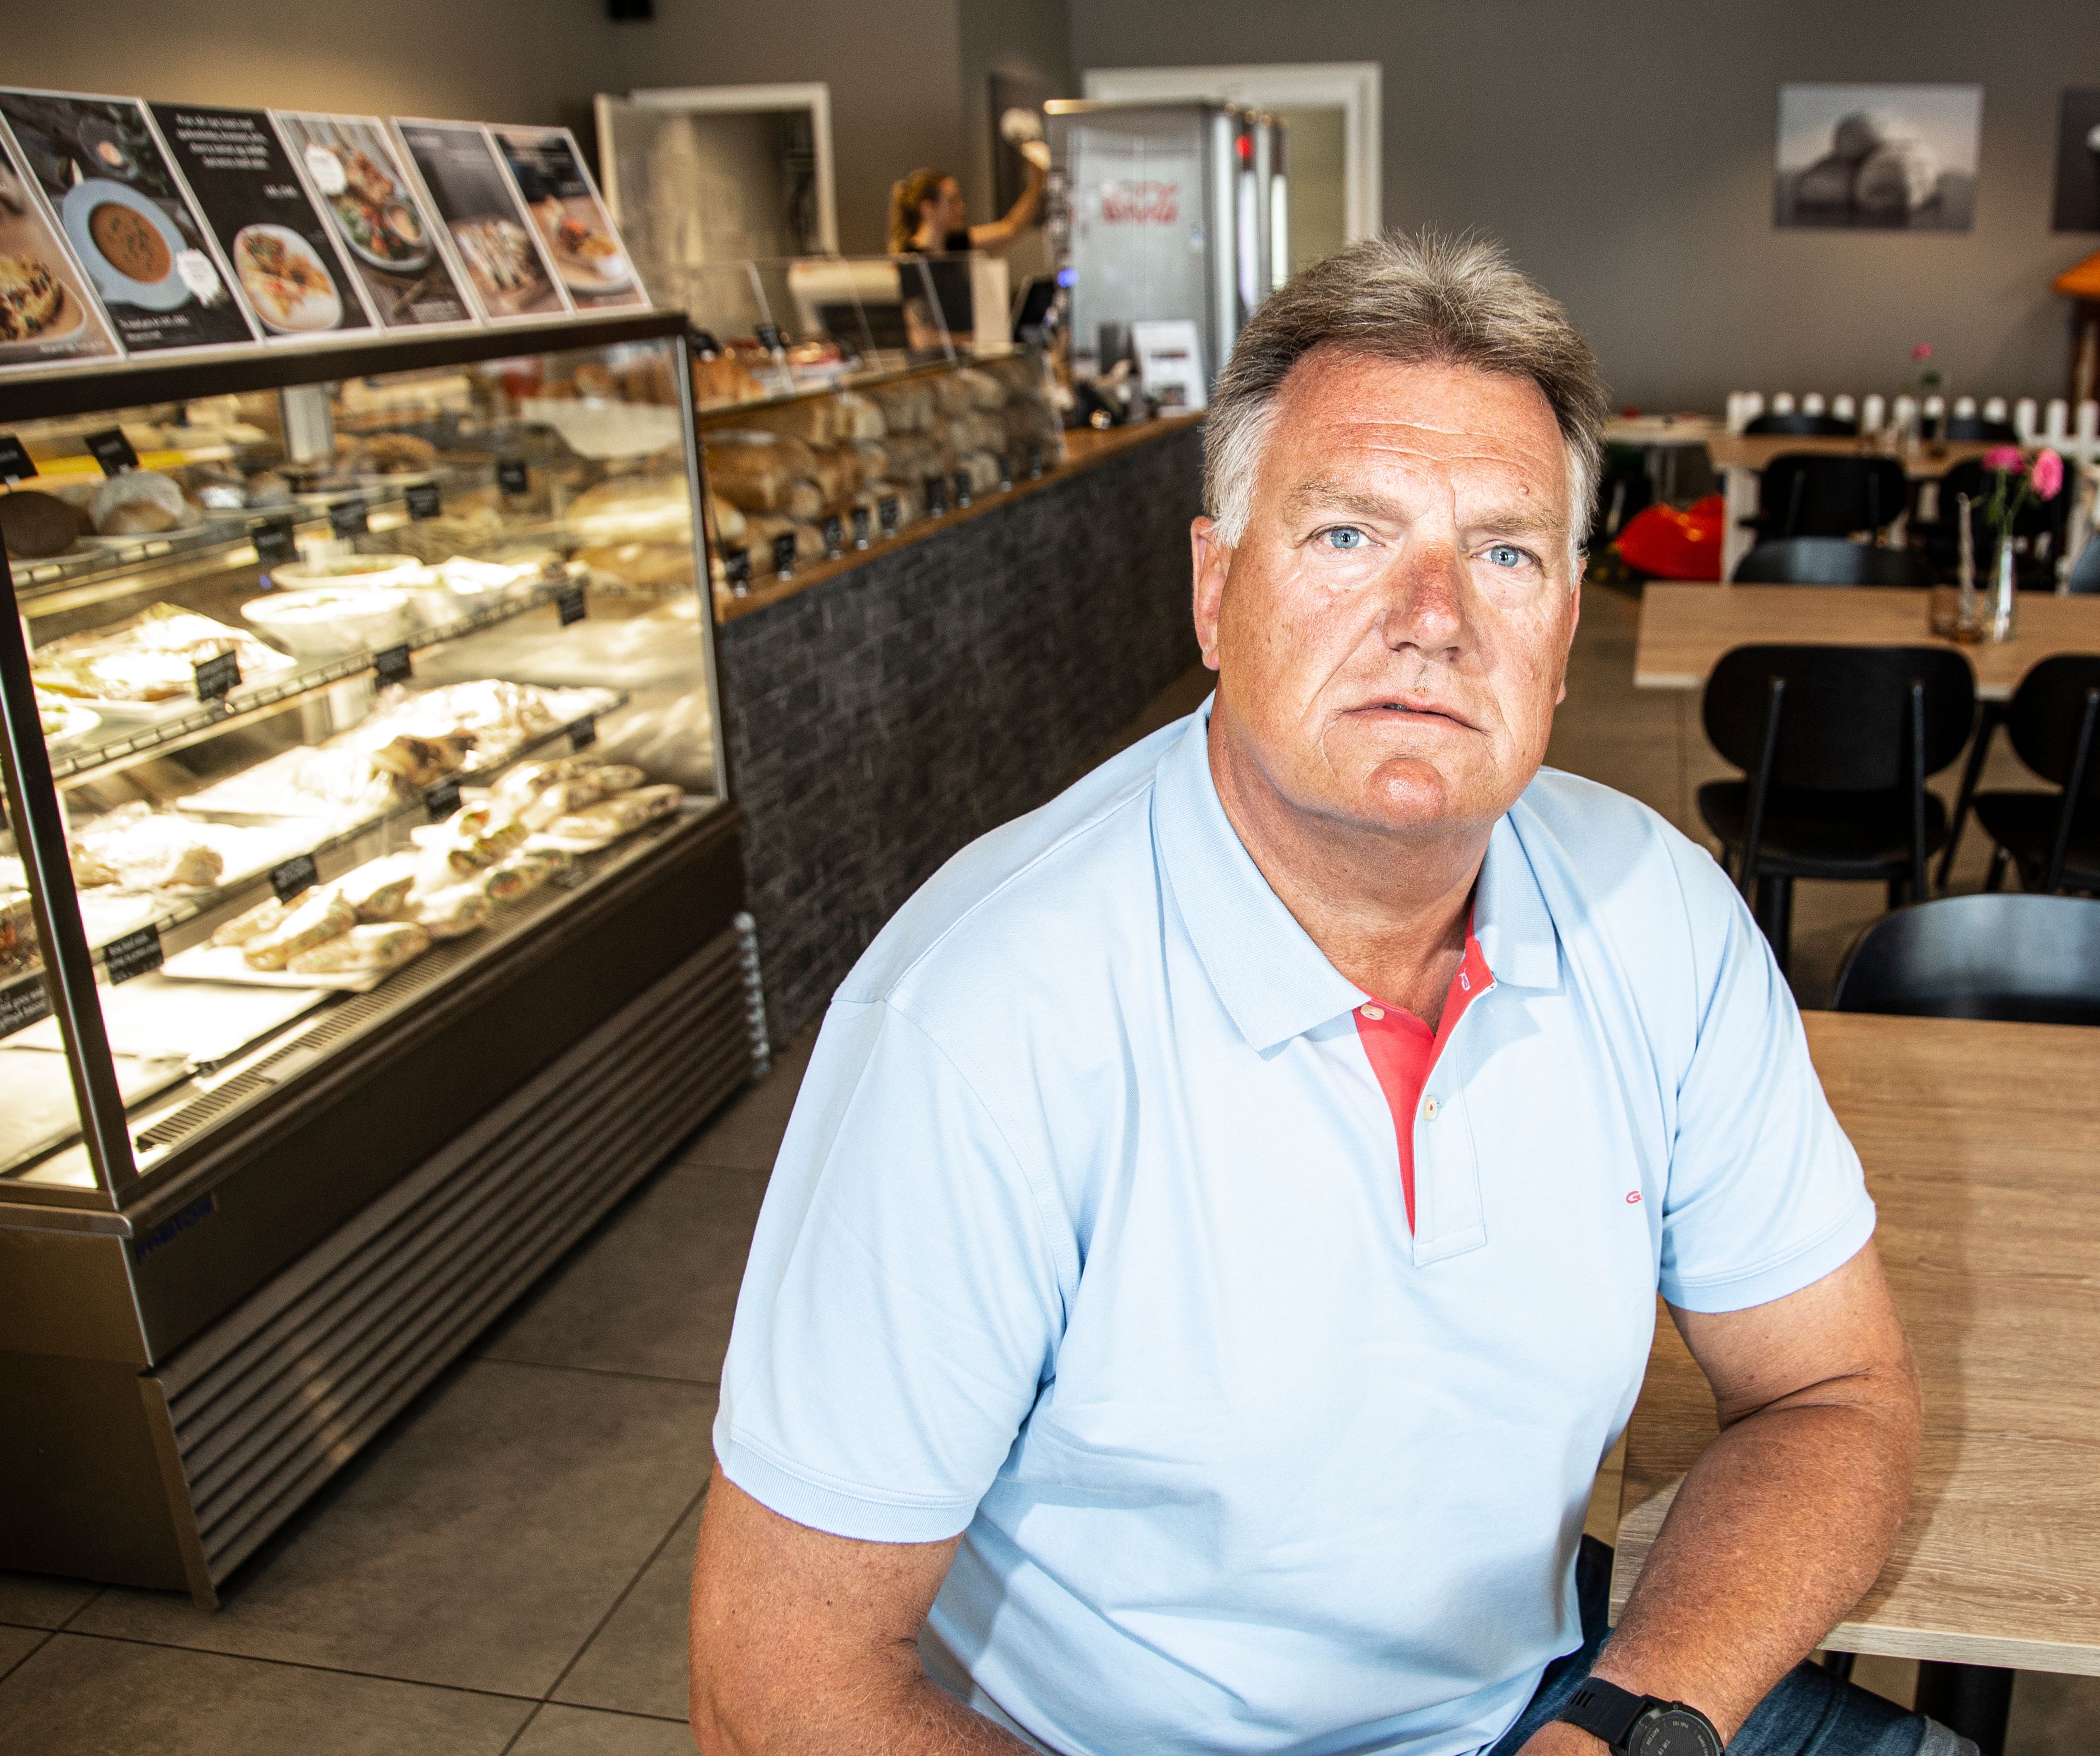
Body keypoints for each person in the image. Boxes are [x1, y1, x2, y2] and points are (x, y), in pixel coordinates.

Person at [690, 232, 1963, 1756]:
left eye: (1505, 552)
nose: (1433, 614)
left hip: (1550, 1705)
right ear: (1214, 589)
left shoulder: (1659, 915)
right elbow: (773, 1684)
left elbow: (1833, 1389)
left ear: (1565, 628)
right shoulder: (977, 1022)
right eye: (1349, 534)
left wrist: (1623, 1726)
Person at [889, 152, 1044, 257]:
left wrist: (1037, 183)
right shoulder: (907, 261)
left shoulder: (954, 244)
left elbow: (1009, 229)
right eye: (952, 201)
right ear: (928, 209)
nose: (961, 208)